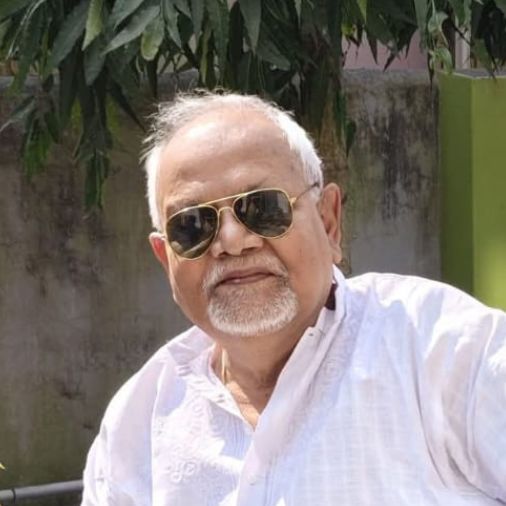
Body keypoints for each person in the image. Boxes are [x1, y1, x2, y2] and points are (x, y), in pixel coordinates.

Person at [81, 92, 506, 506]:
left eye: (263, 208)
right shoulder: (137, 424)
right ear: (165, 258)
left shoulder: (443, 352)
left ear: (328, 221)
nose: (232, 241)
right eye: (192, 225)